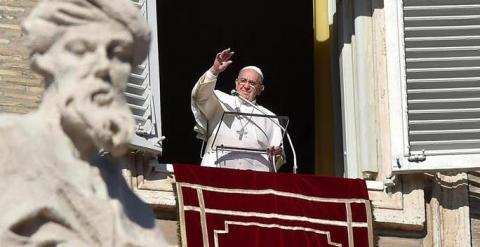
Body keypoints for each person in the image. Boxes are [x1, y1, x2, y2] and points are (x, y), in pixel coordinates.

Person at [191, 48, 286, 172]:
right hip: (218, 172)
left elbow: (278, 153)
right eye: (243, 81)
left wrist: (278, 153)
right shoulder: (220, 99)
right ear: (236, 83)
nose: (246, 86)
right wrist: (214, 71)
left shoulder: (269, 116)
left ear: (260, 89)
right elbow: (199, 96)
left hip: (256, 178)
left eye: (252, 83)